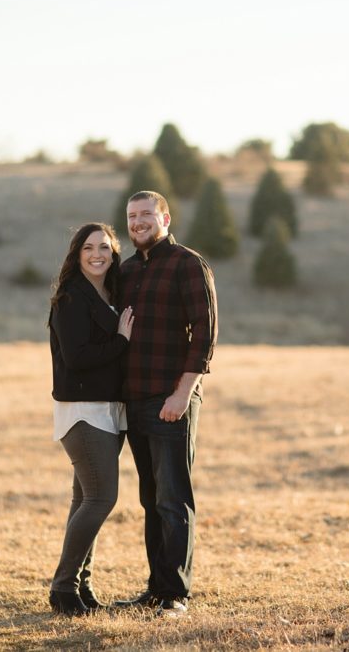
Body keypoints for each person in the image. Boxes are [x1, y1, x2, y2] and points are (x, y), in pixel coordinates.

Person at [113, 191, 217, 617]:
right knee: (150, 498)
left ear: (166, 218)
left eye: (146, 215)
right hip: (134, 401)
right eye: (132, 216)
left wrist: (183, 392)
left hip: (171, 399)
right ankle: (155, 589)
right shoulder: (127, 271)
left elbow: (205, 334)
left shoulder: (188, 264)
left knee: (174, 498)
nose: (138, 222)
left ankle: (175, 594)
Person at [47, 222, 134, 617]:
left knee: (84, 498)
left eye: (104, 247)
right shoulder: (71, 297)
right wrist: (121, 341)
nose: (97, 254)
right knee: (102, 498)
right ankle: (63, 587)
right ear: (77, 254)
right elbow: (78, 357)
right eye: (88, 248)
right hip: (83, 411)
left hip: (110, 410)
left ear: (114, 252)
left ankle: (80, 586)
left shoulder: (110, 293)